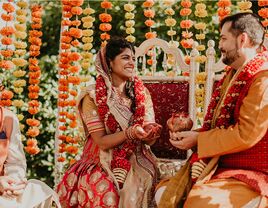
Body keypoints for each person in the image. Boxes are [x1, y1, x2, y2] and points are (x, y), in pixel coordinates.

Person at [157, 12, 268, 207]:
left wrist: (199, 139)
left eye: (224, 39)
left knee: (198, 203)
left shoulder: (262, 78)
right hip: (222, 166)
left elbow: (246, 134)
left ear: (242, 40)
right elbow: (222, 126)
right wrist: (193, 136)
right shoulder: (234, 73)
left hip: (251, 170)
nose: (219, 45)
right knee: (164, 192)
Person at [57, 37, 162, 208]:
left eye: (133, 59)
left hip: (137, 157)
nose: (131, 63)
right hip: (99, 161)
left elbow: (149, 139)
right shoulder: (91, 96)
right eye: (125, 58)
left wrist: (151, 133)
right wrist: (130, 132)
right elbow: (101, 142)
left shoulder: (142, 94)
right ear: (109, 63)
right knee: (108, 191)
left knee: (145, 183)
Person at [0, 82, 61, 208]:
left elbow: (15, 163)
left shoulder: (8, 119)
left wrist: (13, 185)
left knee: (41, 191)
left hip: (4, 187)